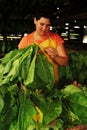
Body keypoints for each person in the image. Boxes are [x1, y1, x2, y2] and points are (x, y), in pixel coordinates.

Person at [18, 7, 69, 87]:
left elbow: (65, 62)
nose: (44, 28)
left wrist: (55, 56)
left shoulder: (55, 38)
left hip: (51, 85)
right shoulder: (26, 40)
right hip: (30, 86)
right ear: (35, 21)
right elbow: (19, 65)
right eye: (41, 24)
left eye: (48, 25)